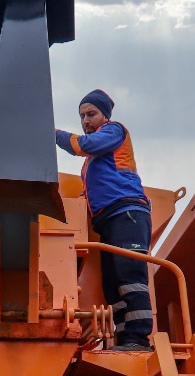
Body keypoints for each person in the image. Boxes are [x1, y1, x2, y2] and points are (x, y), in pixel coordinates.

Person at [54, 89, 153, 351]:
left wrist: (53, 134)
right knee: (113, 283)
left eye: (91, 114)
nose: (86, 121)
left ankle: (139, 339)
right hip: (109, 221)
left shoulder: (114, 131)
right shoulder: (91, 164)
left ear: (105, 115)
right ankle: (127, 339)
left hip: (127, 213)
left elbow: (83, 145)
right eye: (82, 116)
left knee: (130, 277)